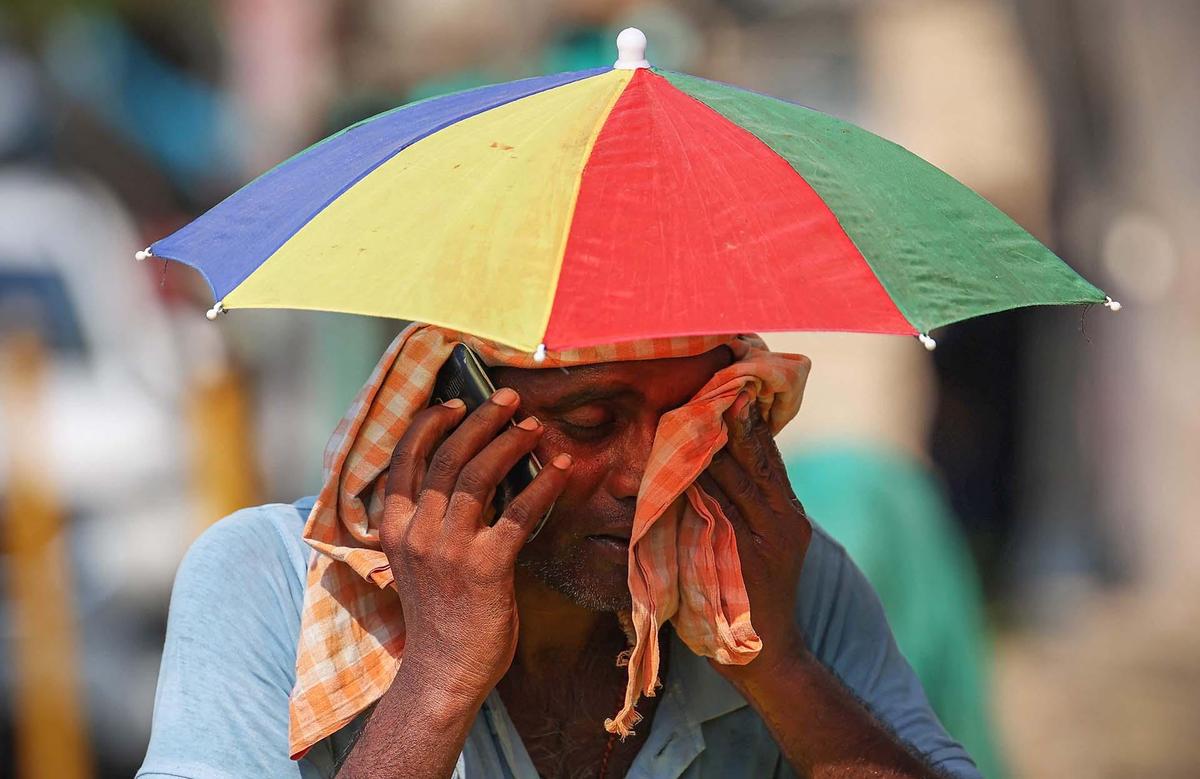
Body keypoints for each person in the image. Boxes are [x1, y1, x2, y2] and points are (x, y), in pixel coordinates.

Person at [138, 326, 981, 779]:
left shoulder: (778, 588)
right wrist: (437, 679)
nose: (647, 478)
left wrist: (782, 667)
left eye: (690, 425)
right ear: (455, 415)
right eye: (589, 423)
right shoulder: (268, 583)